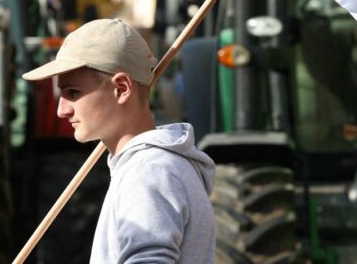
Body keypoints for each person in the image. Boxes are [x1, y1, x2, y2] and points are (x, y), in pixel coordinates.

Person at [23, 18, 215, 263]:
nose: (62, 110)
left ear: (122, 88)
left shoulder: (149, 171)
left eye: (73, 93)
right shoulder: (150, 167)